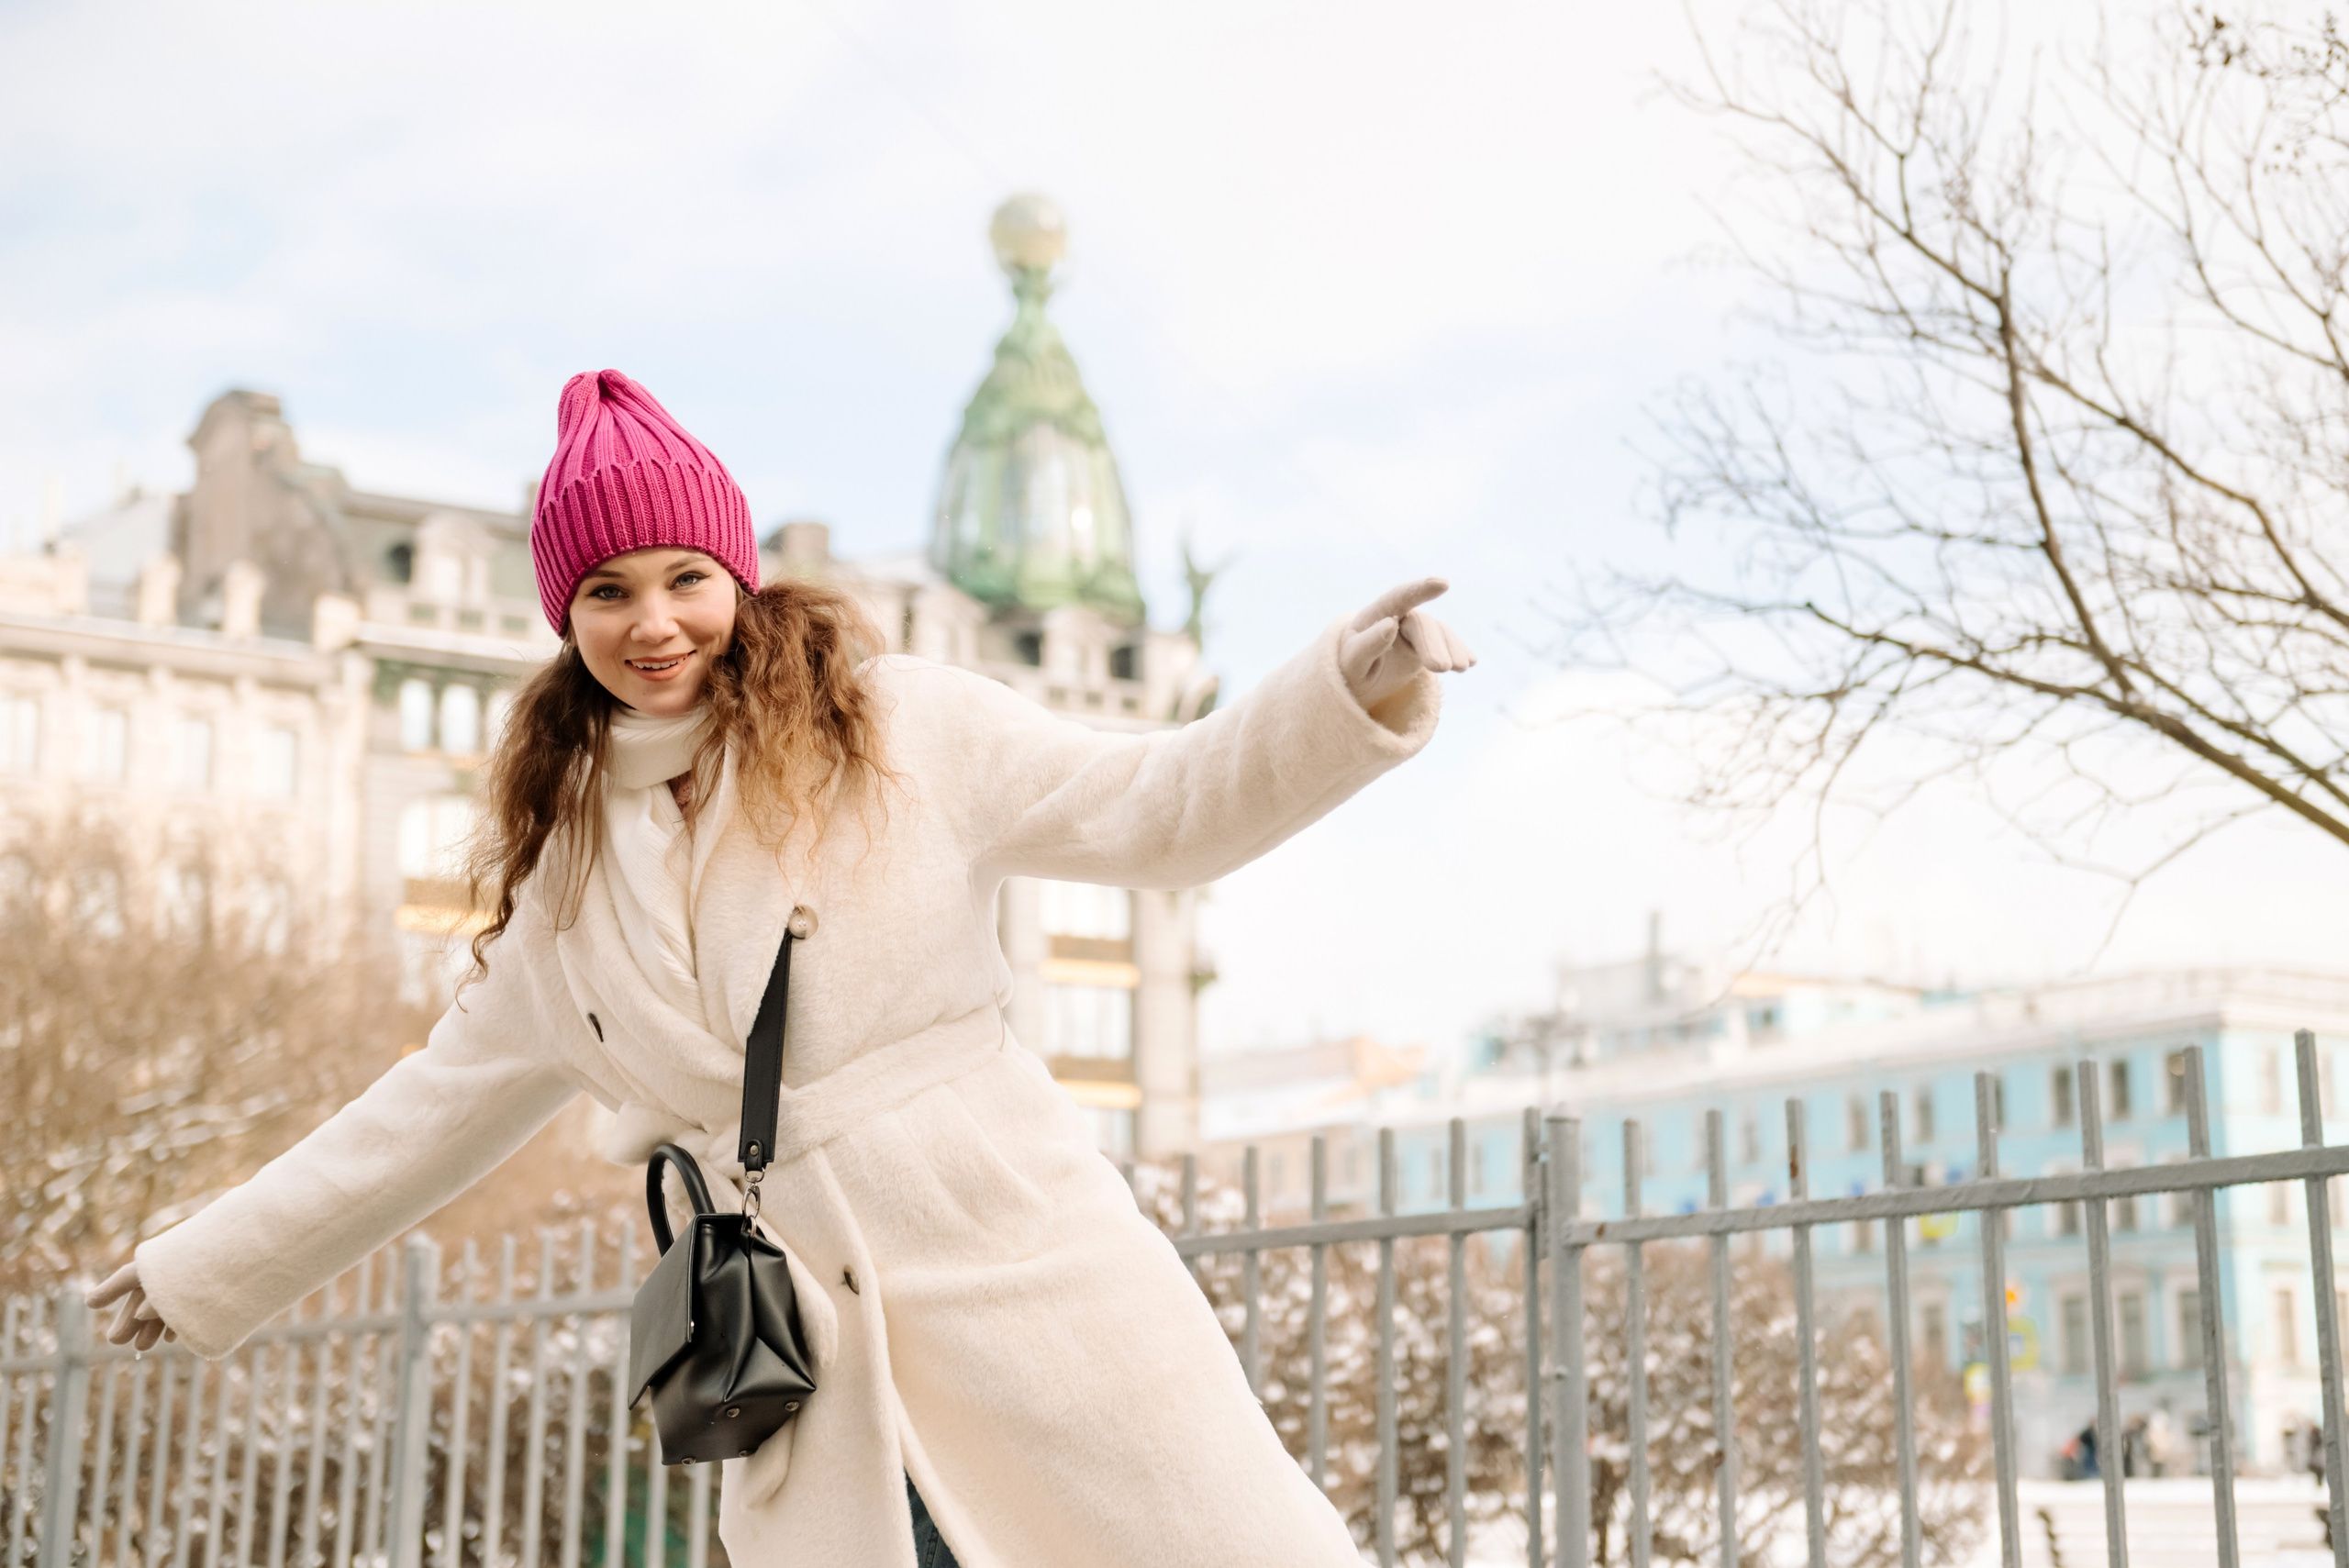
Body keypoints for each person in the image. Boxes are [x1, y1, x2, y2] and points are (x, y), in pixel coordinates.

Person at [84, 369, 1475, 1568]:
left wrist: (1348, 688)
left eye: (686, 576)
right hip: (809, 1382)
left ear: (738, 577)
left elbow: (1164, 809)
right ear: (566, 617)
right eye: (609, 590)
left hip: (1040, 1303)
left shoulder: (905, 730)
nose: (655, 623)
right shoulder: (565, 879)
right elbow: (424, 1114)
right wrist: (209, 1262)